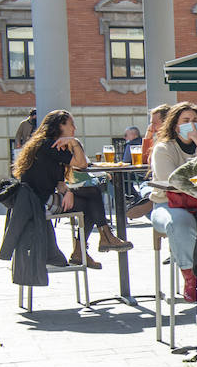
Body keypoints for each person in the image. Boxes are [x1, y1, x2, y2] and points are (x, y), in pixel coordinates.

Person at [13, 109, 133, 269]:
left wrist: (67, 191)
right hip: (37, 203)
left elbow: (59, 182)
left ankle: (91, 245)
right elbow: (82, 164)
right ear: (60, 126)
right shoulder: (49, 145)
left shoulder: (49, 144)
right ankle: (98, 240)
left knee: (91, 197)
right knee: (91, 197)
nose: (74, 129)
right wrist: (74, 142)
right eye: (71, 125)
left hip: (41, 197)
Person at [150, 102, 197, 301]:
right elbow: (172, 181)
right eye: (186, 121)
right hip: (167, 204)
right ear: (175, 124)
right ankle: (190, 277)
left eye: (195, 121)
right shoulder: (163, 148)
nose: (191, 125)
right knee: (180, 222)